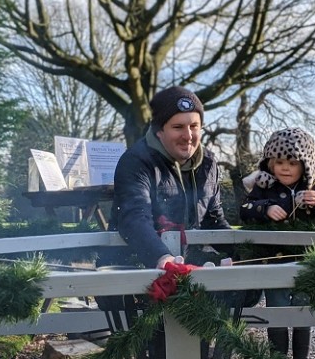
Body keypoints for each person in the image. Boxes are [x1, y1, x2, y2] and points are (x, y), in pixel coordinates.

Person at [97, 86, 232, 359]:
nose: (188, 135)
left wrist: (233, 253)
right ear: (159, 130)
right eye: (178, 127)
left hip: (193, 270)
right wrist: (162, 257)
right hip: (140, 268)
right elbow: (134, 217)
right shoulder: (136, 161)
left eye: (195, 126)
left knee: (201, 343)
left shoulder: (209, 163)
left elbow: (215, 219)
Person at [240, 127, 315, 359]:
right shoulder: (264, 186)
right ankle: (277, 355)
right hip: (274, 262)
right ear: (270, 163)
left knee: (302, 313)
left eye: (293, 162)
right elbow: (244, 210)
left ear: (305, 164)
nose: (285, 168)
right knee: (276, 312)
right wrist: (264, 208)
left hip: (307, 263)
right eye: (279, 162)